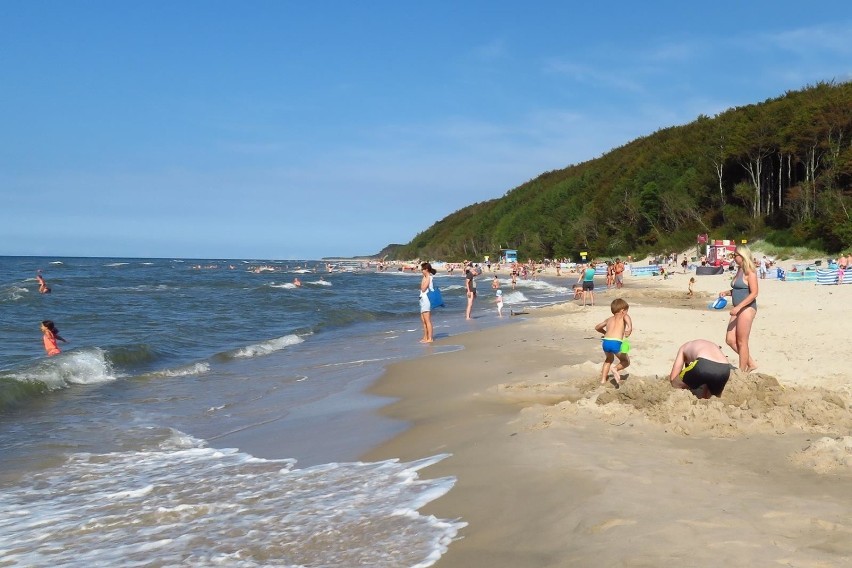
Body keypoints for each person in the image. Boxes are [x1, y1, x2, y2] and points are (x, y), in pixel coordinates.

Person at [718, 244, 758, 372]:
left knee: (742, 341)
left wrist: (739, 307)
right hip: (737, 308)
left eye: (735, 255)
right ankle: (751, 363)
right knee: (730, 340)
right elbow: (738, 288)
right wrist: (727, 292)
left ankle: (741, 371)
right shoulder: (739, 269)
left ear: (742, 256)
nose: (733, 258)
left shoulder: (750, 271)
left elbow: (754, 293)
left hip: (746, 308)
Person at [668, 339, 733, 398]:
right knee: (712, 398)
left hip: (703, 363)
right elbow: (710, 371)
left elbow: (673, 377)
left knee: (675, 383)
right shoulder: (711, 345)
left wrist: (678, 382)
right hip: (725, 368)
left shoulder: (683, 348)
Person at [594, 298, 631, 386]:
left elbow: (597, 327)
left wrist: (605, 332)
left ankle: (603, 380)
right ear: (622, 310)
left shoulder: (609, 319)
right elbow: (626, 317)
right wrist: (629, 327)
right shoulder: (624, 316)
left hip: (606, 342)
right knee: (626, 361)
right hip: (616, 342)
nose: (626, 313)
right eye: (626, 311)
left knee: (608, 359)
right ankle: (615, 369)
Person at [419, 262, 437, 343]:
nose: (421, 270)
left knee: (427, 320)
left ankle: (430, 338)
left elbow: (423, 288)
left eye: (422, 269)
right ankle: (425, 337)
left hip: (427, 299)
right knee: (423, 320)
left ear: (426, 269)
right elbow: (422, 288)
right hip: (422, 299)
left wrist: (424, 279)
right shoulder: (425, 277)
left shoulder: (429, 277)